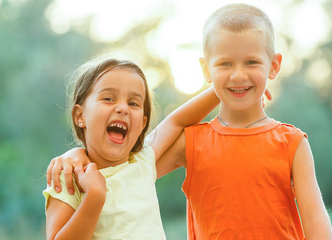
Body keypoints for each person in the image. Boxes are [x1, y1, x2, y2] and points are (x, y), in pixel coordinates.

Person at [47, 3, 332, 239]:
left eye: (251, 63)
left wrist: (226, 87)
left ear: (274, 66)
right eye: (225, 65)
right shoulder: (192, 142)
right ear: (206, 70)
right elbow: (120, 162)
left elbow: (317, 223)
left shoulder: (292, 143)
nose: (238, 75)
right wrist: (77, 154)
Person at [43, 57, 221, 240]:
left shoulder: (143, 161)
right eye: (109, 98)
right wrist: (94, 198)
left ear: (142, 125)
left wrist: (221, 87)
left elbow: (176, 122)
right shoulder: (69, 177)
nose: (123, 108)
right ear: (80, 116)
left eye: (133, 103)